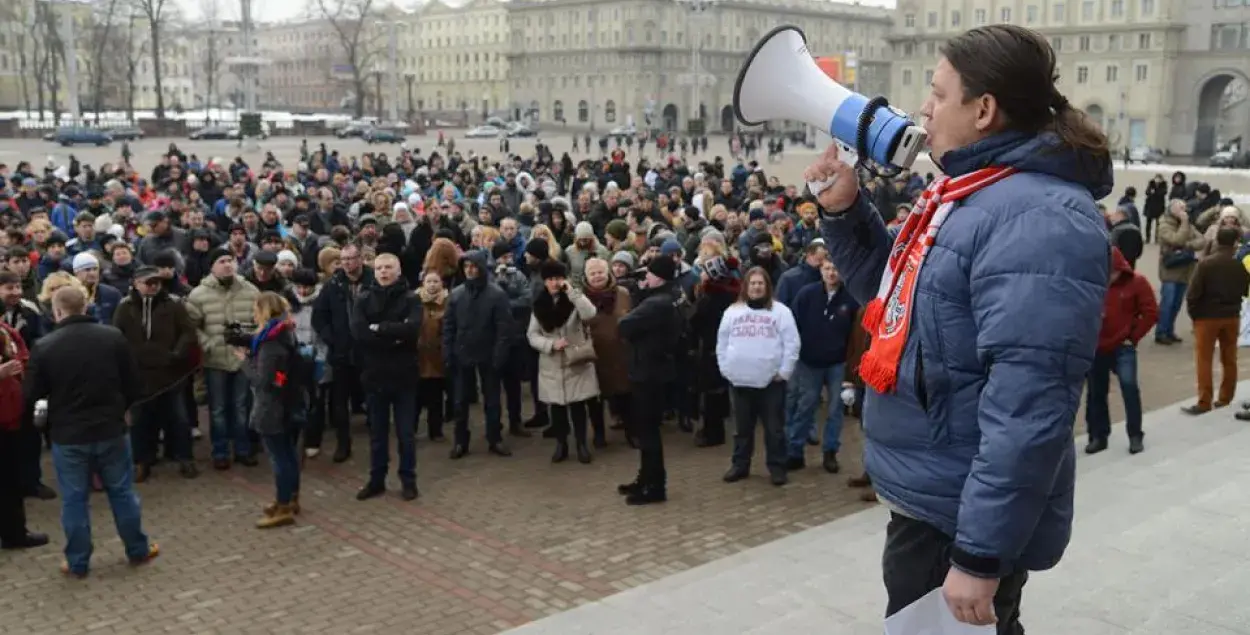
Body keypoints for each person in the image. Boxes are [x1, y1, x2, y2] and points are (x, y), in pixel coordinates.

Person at [805, 25, 1112, 629]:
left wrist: (980, 552)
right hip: (936, 497)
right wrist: (844, 211)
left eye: (938, 93)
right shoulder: (972, 194)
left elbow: (1030, 406)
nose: (923, 107)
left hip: (957, 513)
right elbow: (898, 309)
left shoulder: (1038, 217)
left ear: (984, 111)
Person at [23, 286, 160, 578]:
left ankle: (77, 561)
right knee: (122, 492)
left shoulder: (45, 346)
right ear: (86, 307)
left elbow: (32, 393)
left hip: (69, 434)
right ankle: (137, 548)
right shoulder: (112, 337)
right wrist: (121, 407)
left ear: (57, 311)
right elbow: (134, 384)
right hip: (110, 428)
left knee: (74, 500)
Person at [113, 266, 200, 481]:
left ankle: (185, 458)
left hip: (170, 373)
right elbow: (117, 336)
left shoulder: (173, 304)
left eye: (156, 282)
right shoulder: (125, 307)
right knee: (141, 421)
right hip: (139, 374)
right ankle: (142, 461)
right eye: (147, 282)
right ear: (135, 283)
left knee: (179, 419)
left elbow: (188, 332)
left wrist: (176, 354)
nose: (152, 286)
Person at [716, 266, 800, 486]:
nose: (756, 287)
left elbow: (792, 344)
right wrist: (726, 369)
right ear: (746, 286)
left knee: (774, 429)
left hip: (771, 383)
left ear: (767, 286)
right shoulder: (733, 312)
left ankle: (777, 467)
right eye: (752, 283)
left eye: (760, 283)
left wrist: (784, 372)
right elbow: (722, 343)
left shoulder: (781, 312)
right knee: (742, 429)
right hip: (740, 382)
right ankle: (740, 465)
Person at [353, 253, 422, 502]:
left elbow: (412, 329)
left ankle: (408, 480)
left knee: (406, 433)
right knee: (377, 434)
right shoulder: (363, 299)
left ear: (398, 270)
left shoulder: (411, 298)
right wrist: (394, 335)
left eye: (388, 267)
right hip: (374, 375)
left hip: (404, 376)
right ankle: (376, 480)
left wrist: (380, 328)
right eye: (379, 267)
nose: (383, 272)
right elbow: (360, 332)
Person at [615, 255, 683, 506]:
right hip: (654, 369)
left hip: (649, 373)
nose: (645, 278)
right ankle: (646, 478)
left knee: (648, 432)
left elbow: (624, 325)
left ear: (660, 277)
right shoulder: (670, 296)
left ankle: (654, 486)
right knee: (647, 431)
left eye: (649, 275)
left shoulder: (658, 303)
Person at [185, 247, 261, 470]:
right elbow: (191, 326)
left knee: (241, 406)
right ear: (212, 266)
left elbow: (260, 321)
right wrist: (207, 343)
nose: (227, 264)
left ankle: (243, 449)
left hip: (242, 359)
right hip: (215, 360)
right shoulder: (199, 294)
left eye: (231, 260)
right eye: (221, 261)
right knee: (217, 409)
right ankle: (219, 451)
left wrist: (251, 342)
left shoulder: (250, 290)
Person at [237, 292, 304, 527]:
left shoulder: (270, 344)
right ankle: (291, 498)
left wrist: (244, 361)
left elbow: (261, 381)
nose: (254, 315)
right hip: (289, 402)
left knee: (279, 458)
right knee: (289, 454)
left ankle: (283, 504)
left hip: (272, 408)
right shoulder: (285, 333)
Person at [786, 260, 859, 473]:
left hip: (837, 362)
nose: (831, 273)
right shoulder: (807, 294)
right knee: (806, 405)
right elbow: (793, 324)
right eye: (827, 268)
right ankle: (795, 451)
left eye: (836, 269)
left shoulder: (850, 300)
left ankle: (830, 452)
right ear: (821, 270)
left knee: (835, 409)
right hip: (809, 361)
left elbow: (855, 333)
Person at [1085, 247, 1157, 456]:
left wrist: (1133, 336)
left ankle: (1135, 434)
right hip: (1096, 347)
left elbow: (1151, 312)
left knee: (1129, 387)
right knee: (1096, 392)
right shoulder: (1091, 284)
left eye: (1112, 272)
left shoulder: (1137, 283)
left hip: (1122, 346)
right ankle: (1098, 436)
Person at [528, 260, 600, 464]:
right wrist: (550, 344)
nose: (554, 283)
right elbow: (532, 335)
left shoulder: (573, 299)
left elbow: (590, 313)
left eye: (558, 278)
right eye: (550, 279)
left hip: (575, 361)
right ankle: (561, 444)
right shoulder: (539, 305)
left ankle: (581, 444)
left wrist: (573, 292)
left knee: (578, 407)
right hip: (551, 363)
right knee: (557, 410)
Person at [444, 250, 513, 459]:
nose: (470, 271)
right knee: (460, 401)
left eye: (474, 266)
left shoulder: (496, 294)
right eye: (466, 267)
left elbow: (504, 328)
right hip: (462, 353)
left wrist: (499, 355)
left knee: (492, 400)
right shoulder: (456, 294)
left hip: (488, 354)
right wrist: (448, 352)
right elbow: (448, 326)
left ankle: (495, 438)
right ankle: (460, 441)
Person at [1183, 227, 1250, 416]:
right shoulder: (1238, 265)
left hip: (1207, 317)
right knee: (1229, 359)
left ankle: (1204, 401)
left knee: (1204, 359)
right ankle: (1225, 398)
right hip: (1232, 316)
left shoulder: (1206, 264)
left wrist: (1194, 315)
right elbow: (1245, 289)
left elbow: (1193, 294)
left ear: (1218, 241)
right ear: (1235, 243)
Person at [0, 310, 47, 551]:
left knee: (10, 482)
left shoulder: (5, 330)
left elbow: (22, 355)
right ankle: (14, 534)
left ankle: (14, 532)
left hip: (10, 417)